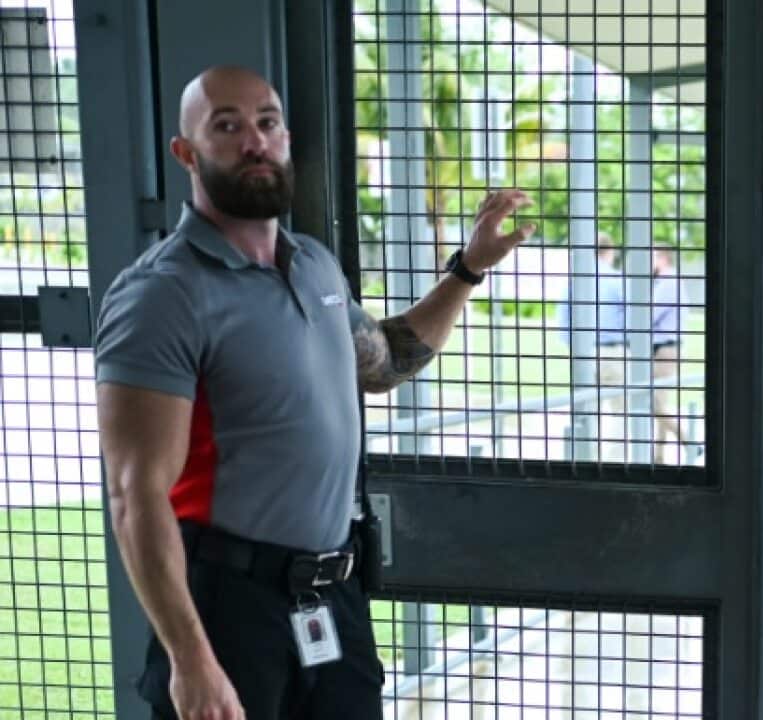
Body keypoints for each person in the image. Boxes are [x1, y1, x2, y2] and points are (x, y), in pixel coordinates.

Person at [94, 66, 533, 720]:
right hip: (229, 611)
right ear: (186, 153)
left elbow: (382, 364)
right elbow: (135, 494)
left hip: (332, 602)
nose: (254, 141)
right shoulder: (163, 294)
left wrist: (466, 269)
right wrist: (191, 660)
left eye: (267, 123)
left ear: (287, 139)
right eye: (227, 125)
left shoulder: (315, 265)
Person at [560, 233, 627, 461]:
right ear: (609, 252)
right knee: (622, 409)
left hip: (584, 353)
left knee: (587, 409)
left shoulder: (575, 280)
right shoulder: (617, 279)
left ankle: (589, 456)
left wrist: (576, 348)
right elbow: (632, 315)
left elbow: (564, 320)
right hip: (613, 351)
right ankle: (615, 460)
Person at [650, 247, 695, 463]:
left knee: (653, 404)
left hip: (664, 350)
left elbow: (649, 314)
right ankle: (658, 458)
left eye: (652, 256)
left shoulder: (668, 283)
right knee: (660, 403)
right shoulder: (669, 282)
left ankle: (689, 443)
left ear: (663, 258)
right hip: (667, 348)